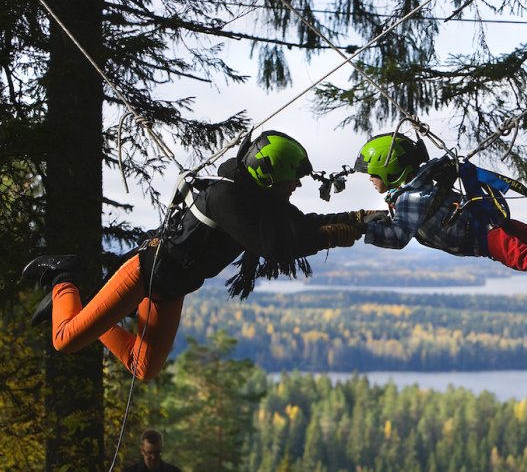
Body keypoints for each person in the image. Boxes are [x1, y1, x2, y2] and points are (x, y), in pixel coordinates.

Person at [22, 130, 366, 379]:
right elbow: (275, 248)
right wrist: (331, 237)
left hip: (170, 288)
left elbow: (301, 226)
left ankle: (77, 306)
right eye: (291, 179)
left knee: (142, 367)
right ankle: (63, 275)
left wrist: (356, 219)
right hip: (146, 272)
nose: (297, 186)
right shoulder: (226, 199)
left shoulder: (261, 199)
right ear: (268, 175)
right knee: (65, 339)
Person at [353, 132, 527, 308]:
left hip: (481, 234)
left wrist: (365, 228)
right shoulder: (416, 185)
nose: (370, 179)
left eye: (373, 174)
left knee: (520, 255)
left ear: (390, 170)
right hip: (481, 219)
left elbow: (398, 237)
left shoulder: (409, 198)